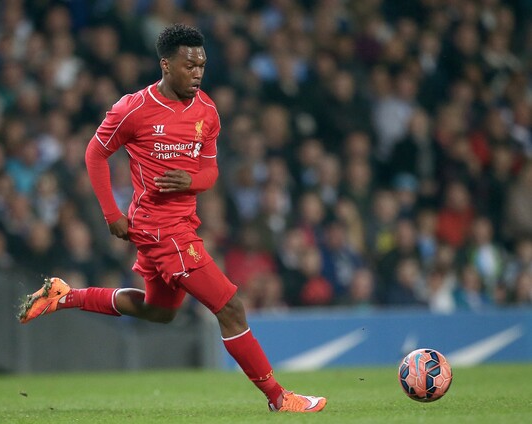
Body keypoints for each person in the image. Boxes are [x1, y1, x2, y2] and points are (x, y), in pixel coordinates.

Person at [18, 24, 326, 413]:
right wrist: (111, 213)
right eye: (189, 65)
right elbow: (95, 153)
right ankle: (279, 398)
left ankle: (66, 296)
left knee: (159, 311)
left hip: (179, 225)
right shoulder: (133, 108)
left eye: (202, 65)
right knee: (230, 307)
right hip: (161, 230)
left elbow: (210, 173)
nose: (197, 73)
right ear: (166, 65)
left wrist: (190, 180)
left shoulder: (207, 111)